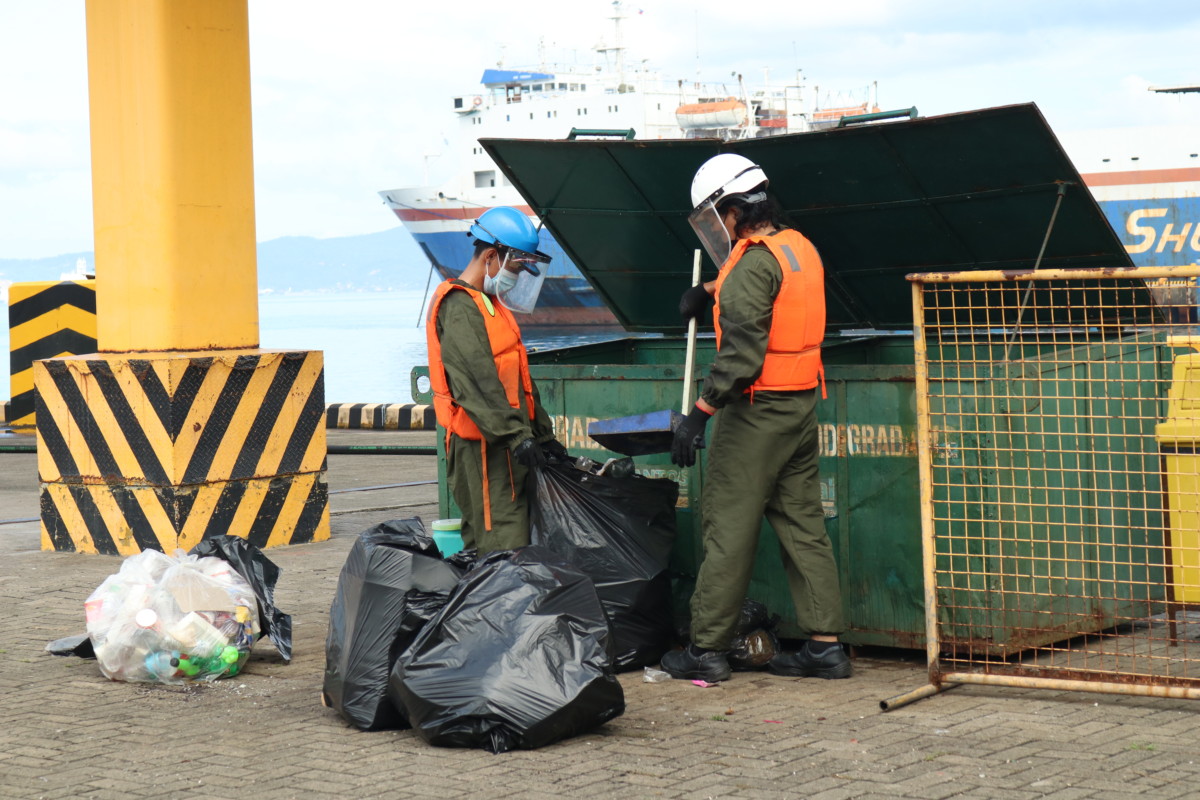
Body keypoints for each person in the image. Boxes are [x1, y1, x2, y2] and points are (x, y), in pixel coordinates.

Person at [661, 153, 851, 682]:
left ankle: (706, 649)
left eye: (715, 216)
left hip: (754, 412)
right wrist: (710, 292)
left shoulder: (750, 262)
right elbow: (769, 291)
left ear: (731, 210)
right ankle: (825, 645)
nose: (715, 228)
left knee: (728, 527)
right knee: (803, 524)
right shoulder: (799, 248)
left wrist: (699, 414)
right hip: (800, 407)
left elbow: (742, 355)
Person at [424, 206, 568, 554]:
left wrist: (542, 435)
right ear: (491, 256)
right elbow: (477, 384)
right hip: (485, 450)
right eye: (516, 267)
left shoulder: (489, 304)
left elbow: (517, 382)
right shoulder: (459, 306)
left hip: (506, 445)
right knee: (502, 542)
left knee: (512, 537)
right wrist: (517, 436)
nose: (517, 277)